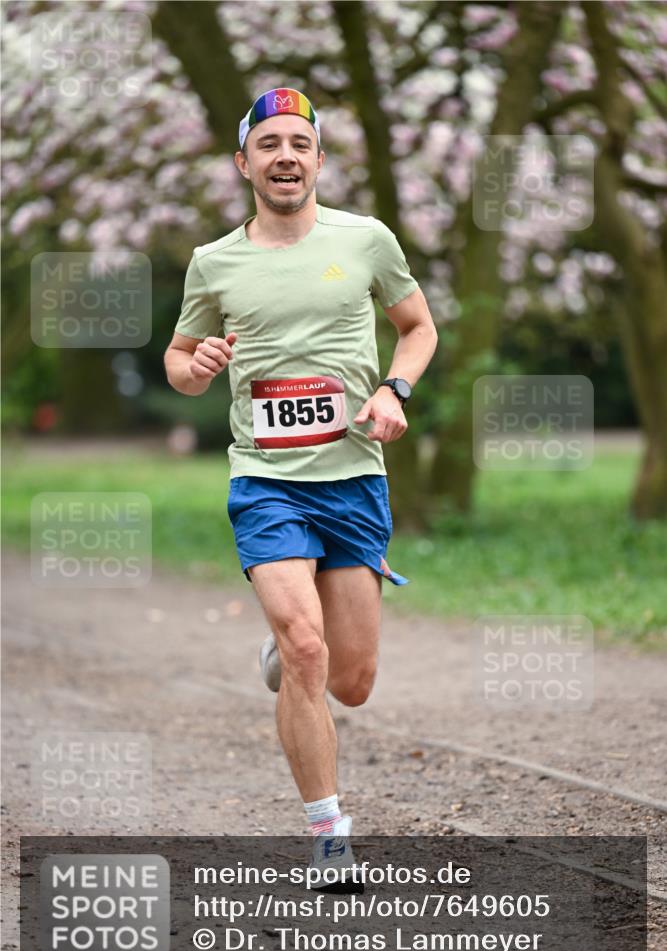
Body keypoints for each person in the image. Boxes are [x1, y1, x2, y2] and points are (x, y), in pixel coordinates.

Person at [164, 88, 437, 885]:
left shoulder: (366, 241)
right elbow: (180, 362)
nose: (286, 156)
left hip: (352, 477)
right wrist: (198, 367)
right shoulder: (214, 261)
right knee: (308, 642)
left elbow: (417, 327)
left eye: (300, 143)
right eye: (269, 144)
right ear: (243, 162)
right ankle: (329, 837)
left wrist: (393, 390)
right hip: (266, 480)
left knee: (349, 682)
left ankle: (287, 655)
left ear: (318, 158)